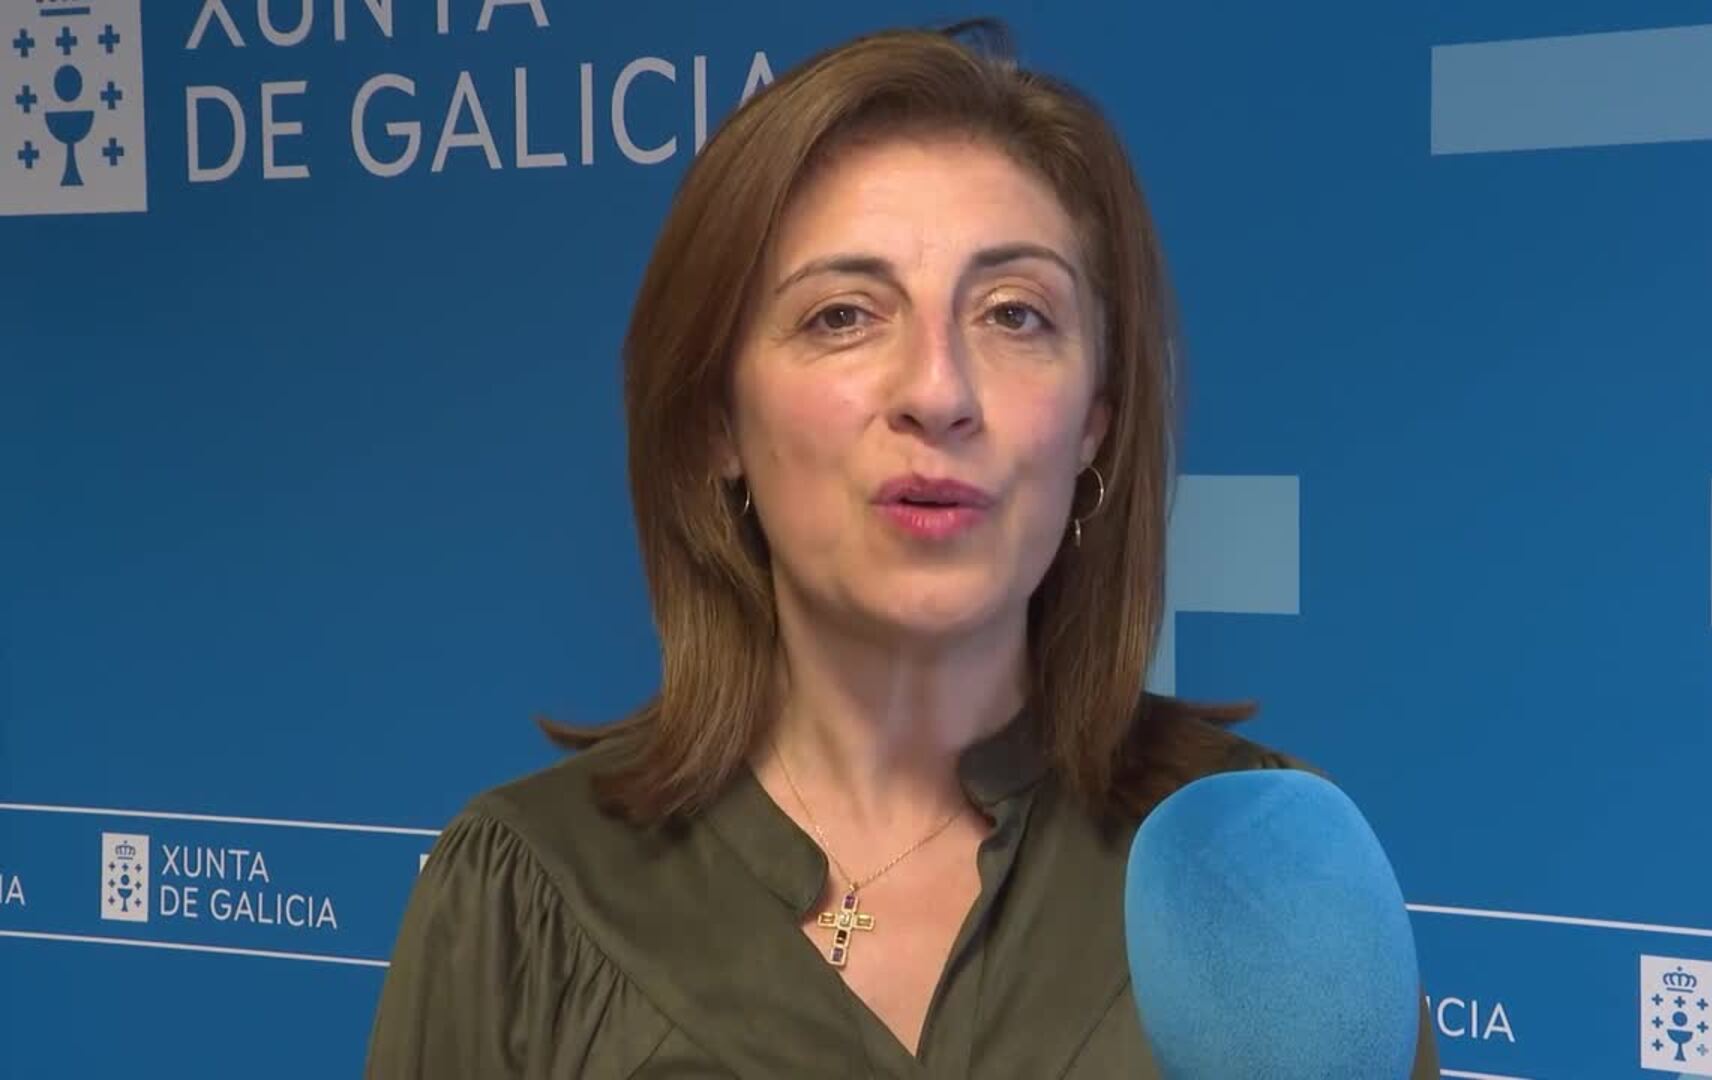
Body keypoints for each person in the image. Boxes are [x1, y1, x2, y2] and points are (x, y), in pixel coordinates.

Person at [366, 19, 1441, 1078]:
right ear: (717, 423)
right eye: (843, 315)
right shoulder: (524, 895)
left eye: (1014, 315)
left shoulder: (1260, 880)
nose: (938, 391)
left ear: (1094, 424)